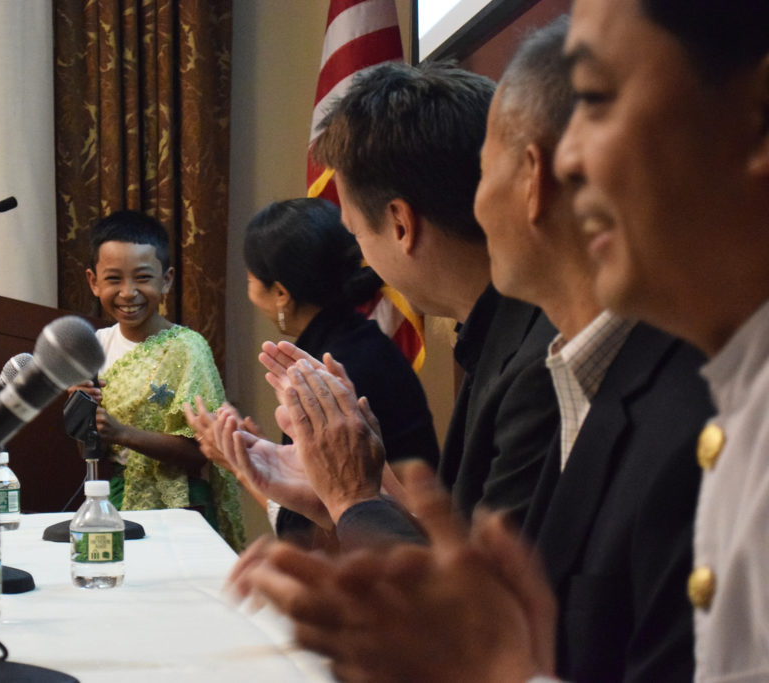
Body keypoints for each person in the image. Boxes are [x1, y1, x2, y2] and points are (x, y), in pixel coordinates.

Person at [236, 0, 769, 680]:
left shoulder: (683, 394)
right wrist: (349, 494)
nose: (565, 162)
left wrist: (360, 504)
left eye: (598, 100)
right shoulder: (590, 372)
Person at [213, 62, 561, 550]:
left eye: (357, 232)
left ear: (399, 223)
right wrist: (344, 496)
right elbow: (459, 550)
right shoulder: (498, 332)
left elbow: (483, 607)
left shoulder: (544, 363)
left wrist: (353, 498)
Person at [477, 18, 709, 681]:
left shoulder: (697, 404)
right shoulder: (585, 374)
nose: (476, 201)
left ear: (533, 176)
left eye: (481, 166)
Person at [188, 198, 439, 546]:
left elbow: (307, 531)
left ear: (280, 293)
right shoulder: (364, 342)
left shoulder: (322, 373)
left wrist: (240, 467)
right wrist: (262, 452)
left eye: (250, 278)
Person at [79, 210, 245, 551]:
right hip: (116, 497)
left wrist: (122, 432)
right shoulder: (95, 347)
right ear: (93, 282)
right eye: (113, 279)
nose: (128, 293)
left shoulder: (187, 349)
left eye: (142, 277)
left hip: (182, 505)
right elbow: (89, 451)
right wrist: (81, 416)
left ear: (166, 280)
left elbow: (201, 452)